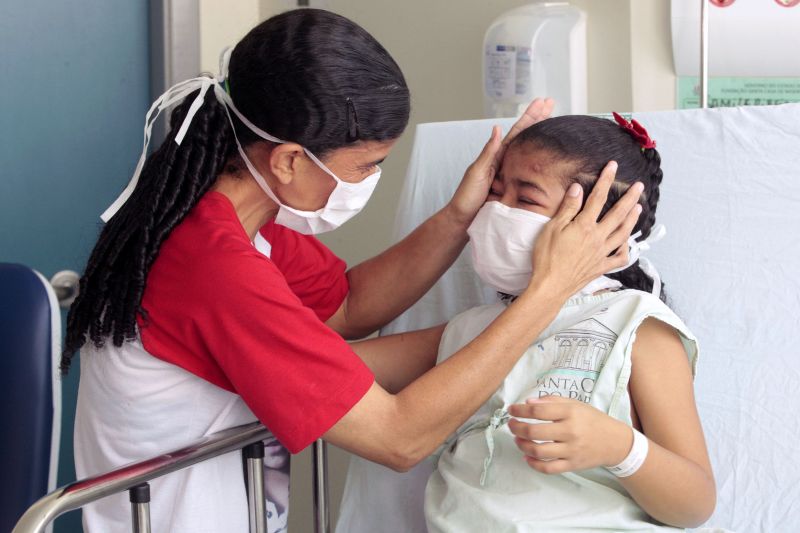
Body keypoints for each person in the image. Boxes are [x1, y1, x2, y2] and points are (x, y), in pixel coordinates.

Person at [62, 9, 642, 532]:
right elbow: (398, 436)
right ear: (289, 159)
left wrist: (466, 213)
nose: (370, 180)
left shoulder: (237, 219)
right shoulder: (214, 266)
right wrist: (550, 292)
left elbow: (346, 305)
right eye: (367, 166)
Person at [423, 114, 716, 532]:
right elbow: (317, 365)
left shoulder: (634, 324)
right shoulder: (470, 331)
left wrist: (621, 447)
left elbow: (695, 504)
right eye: (493, 192)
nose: (494, 211)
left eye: (525, 200)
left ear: (604, 221)